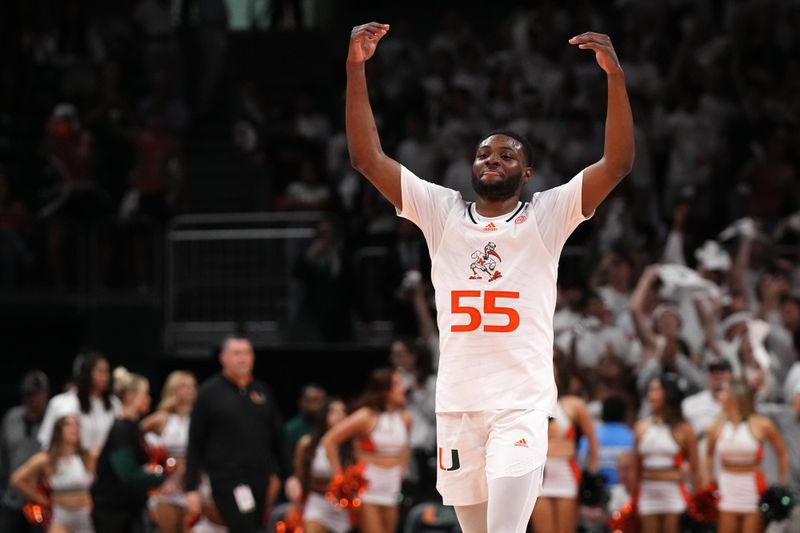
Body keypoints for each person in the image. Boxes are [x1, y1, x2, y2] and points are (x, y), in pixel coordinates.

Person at [345, 21, 633, 532]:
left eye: (507, 155)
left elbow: (617, 163)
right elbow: (367, 159)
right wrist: (355, 67)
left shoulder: (547, 215)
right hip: (457, 404)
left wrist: (614, 77)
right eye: (483, 153)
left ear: (527, 174)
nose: (492, 159)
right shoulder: (440, 211)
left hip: (518, 405)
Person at [184, 334, 297, 533]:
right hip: (227, 478)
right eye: (237, 353)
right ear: (223, 358)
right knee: (244, 525)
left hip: (260, 477)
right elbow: (195, 441)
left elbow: (279, 438)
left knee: (253, 525)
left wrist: (290, 476)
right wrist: (191, 488)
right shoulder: (209, 393)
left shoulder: (262, 391)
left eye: (247, 353)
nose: (243, 358)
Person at [321, 368, 412, 533]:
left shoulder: (405, 418)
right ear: (385, 389)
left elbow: (406, 447)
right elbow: (330, 440)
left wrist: (402, 468)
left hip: (392, 486)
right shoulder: (366, 416)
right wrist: (339, 478)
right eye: (397, 383)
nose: (403, 387)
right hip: (368, 488)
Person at [706, 379, 788, 533]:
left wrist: (781, 485)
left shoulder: (761, 423)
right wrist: (710, 483)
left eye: (724, 392)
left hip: (753, 490)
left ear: (735, 396)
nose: (720, 395)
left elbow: (782, 453)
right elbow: (708, 456)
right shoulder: (716, 426)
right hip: (726, 488)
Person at [91, 368, 166, 532]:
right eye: (144, 394)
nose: (149, 399)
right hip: (113, 513)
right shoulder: (122, 429)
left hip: (130, 509)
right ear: (131, 397)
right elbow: (126, 473)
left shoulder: (134, 428)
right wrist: (163, 479)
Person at [532, 357, 598, 533]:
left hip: (566, 473)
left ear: (558, 373)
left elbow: (593, 441)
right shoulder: (529, 404)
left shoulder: (574, 405)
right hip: (538, 475)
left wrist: (591, 472)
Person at [634, 374, 699, 533]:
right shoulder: (641, 427)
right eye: (650, 391)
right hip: (648, 491)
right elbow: (636, 466)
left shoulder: (684, 428)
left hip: (674, 492)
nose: (651, 395)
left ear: (668, 394)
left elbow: (695, 468)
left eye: (656, 390)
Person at [12, 415, 96, 533]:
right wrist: (40, 499)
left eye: (77, 425)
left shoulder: (88, 456)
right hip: (60, 515)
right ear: (59, 430)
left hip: (84, 514)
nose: (74, 428)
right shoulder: (47, 458)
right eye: (69, 425)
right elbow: (17, 479)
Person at [141, 371, 198, 533]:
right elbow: (133, 437)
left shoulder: (201, 419)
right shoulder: (162, 418)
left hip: (192, 486)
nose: (190, 390)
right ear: (174, 389)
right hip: (167, 487)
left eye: (193, 386)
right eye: (184, 386)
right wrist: (156, 468)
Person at [39, 353, 121, 454]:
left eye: (107, 371)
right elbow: (47, 442)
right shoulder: (62, 403)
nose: (105, 377)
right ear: (87, 373)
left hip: (104, 465)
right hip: (72, 464)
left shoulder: (114, 403)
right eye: (100, 371)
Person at [0, 371, 50, 532]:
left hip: (40, 500)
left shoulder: (52, 422)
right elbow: (3, 456)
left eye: (35, 394)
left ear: (45, 394)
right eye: (26, 394)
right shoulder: (11, 418)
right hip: (13, 498)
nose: (30, 399)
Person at [294, 398, 351, 533]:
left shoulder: (351, 446)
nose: (340, 415)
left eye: (343, 411)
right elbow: (300, 477)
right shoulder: (308, 444)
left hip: (344, 507)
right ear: (324, 415)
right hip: (318, 501)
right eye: (334, 411)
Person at [284, 384, 327, 458]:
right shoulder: (291, 429)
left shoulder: (327, 425)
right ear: (303, 402)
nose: (320, 405)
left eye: (322, 400)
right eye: (314, 400)